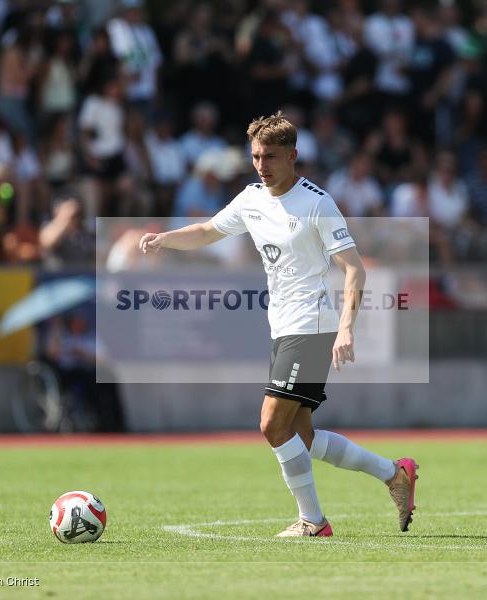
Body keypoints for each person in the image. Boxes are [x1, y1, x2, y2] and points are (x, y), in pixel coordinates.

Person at [138, 111, 418, 537]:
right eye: (255, 156)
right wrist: (165, 240)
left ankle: (313, 522)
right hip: (283, 326)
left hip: (313, 325)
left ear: (293, 156)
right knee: (301, 436)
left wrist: (345, 328)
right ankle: (394, 473)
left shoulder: (317, 203)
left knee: (271, 424)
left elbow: (354, 270)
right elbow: (209, 231)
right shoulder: (251, 198)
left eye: (270, 156)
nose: (261, 165)